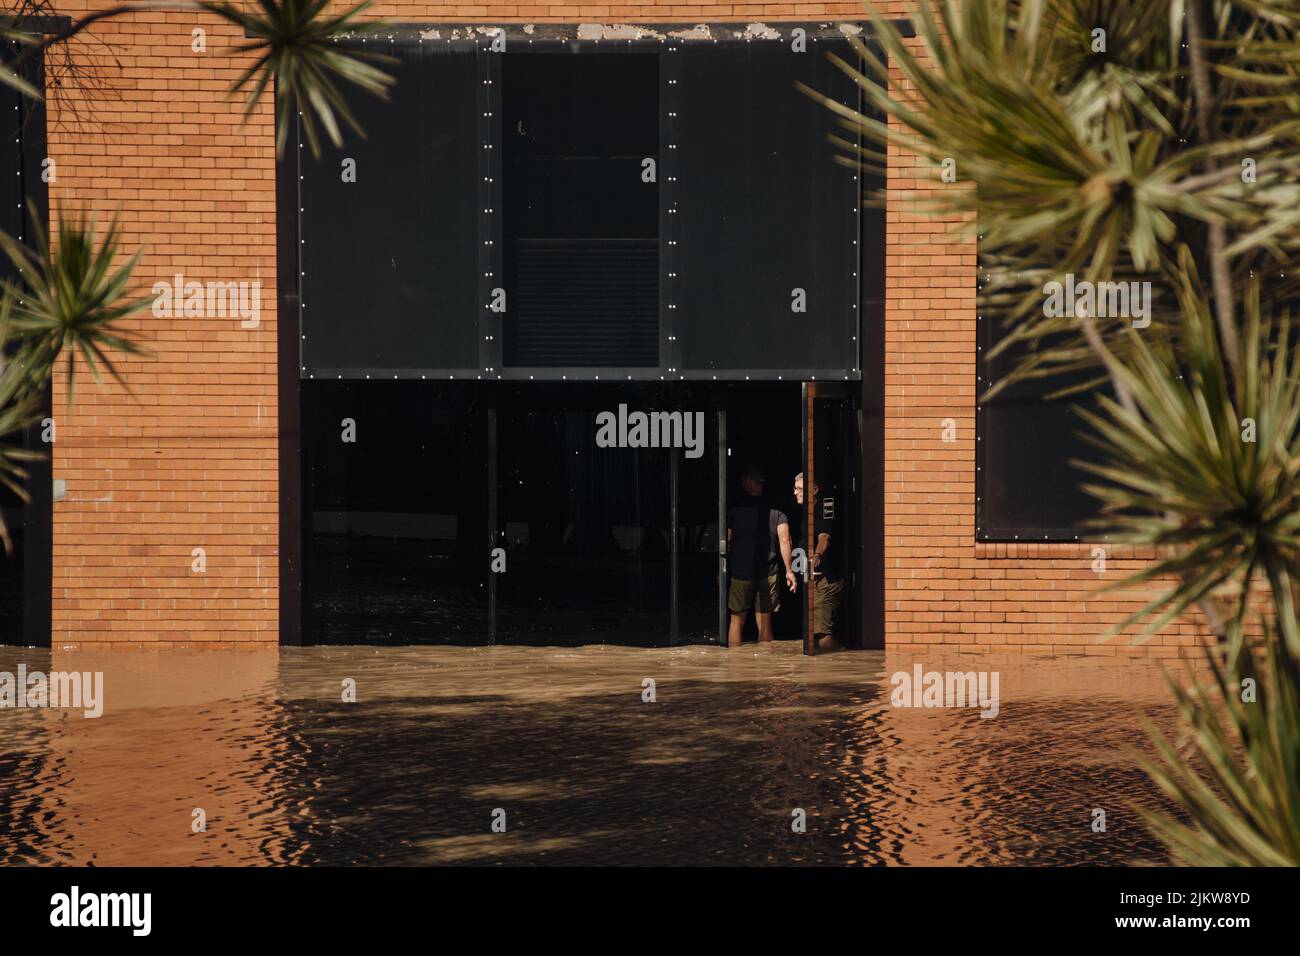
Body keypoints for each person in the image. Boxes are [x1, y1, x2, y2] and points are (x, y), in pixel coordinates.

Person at [726, 464, 797, 647]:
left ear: (750, 481)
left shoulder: (735, 508)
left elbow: (727, 541)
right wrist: (789, 570)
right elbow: (785, 540)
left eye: (743, 479)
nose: (742, 483)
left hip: (741, 573)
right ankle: (765, 668)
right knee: (766, 625)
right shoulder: (776, 509)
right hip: (769, 573)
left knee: (736, 622)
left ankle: (734, 667)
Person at [794, 472, 843, 651]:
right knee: (813, 637)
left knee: (821, 637)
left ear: (814, 490)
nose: (795, 492)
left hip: (826, 580)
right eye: (795, 488)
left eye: (799, 489)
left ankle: (843, 659)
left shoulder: (823, 509)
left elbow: (824, 537)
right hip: (814, 579)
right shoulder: (807, 511)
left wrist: (817, 554)